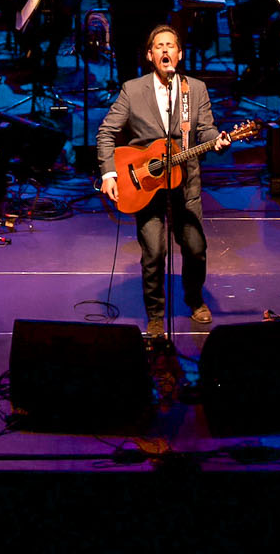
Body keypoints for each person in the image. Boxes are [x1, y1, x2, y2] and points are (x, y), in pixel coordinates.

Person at [97, 26, 229, 338]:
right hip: (145, 185)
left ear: (179, 54)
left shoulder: (194, 89)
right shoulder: (133, 89)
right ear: (150, 55)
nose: (165, 50)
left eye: (171, 45)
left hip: (185, 185)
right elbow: (106, 132)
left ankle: (195, 300)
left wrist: (218, 139)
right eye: (159, 46)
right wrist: (108, 172)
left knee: (195, 248)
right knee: (154, 253)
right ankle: (156, 315)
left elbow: (206, 130)